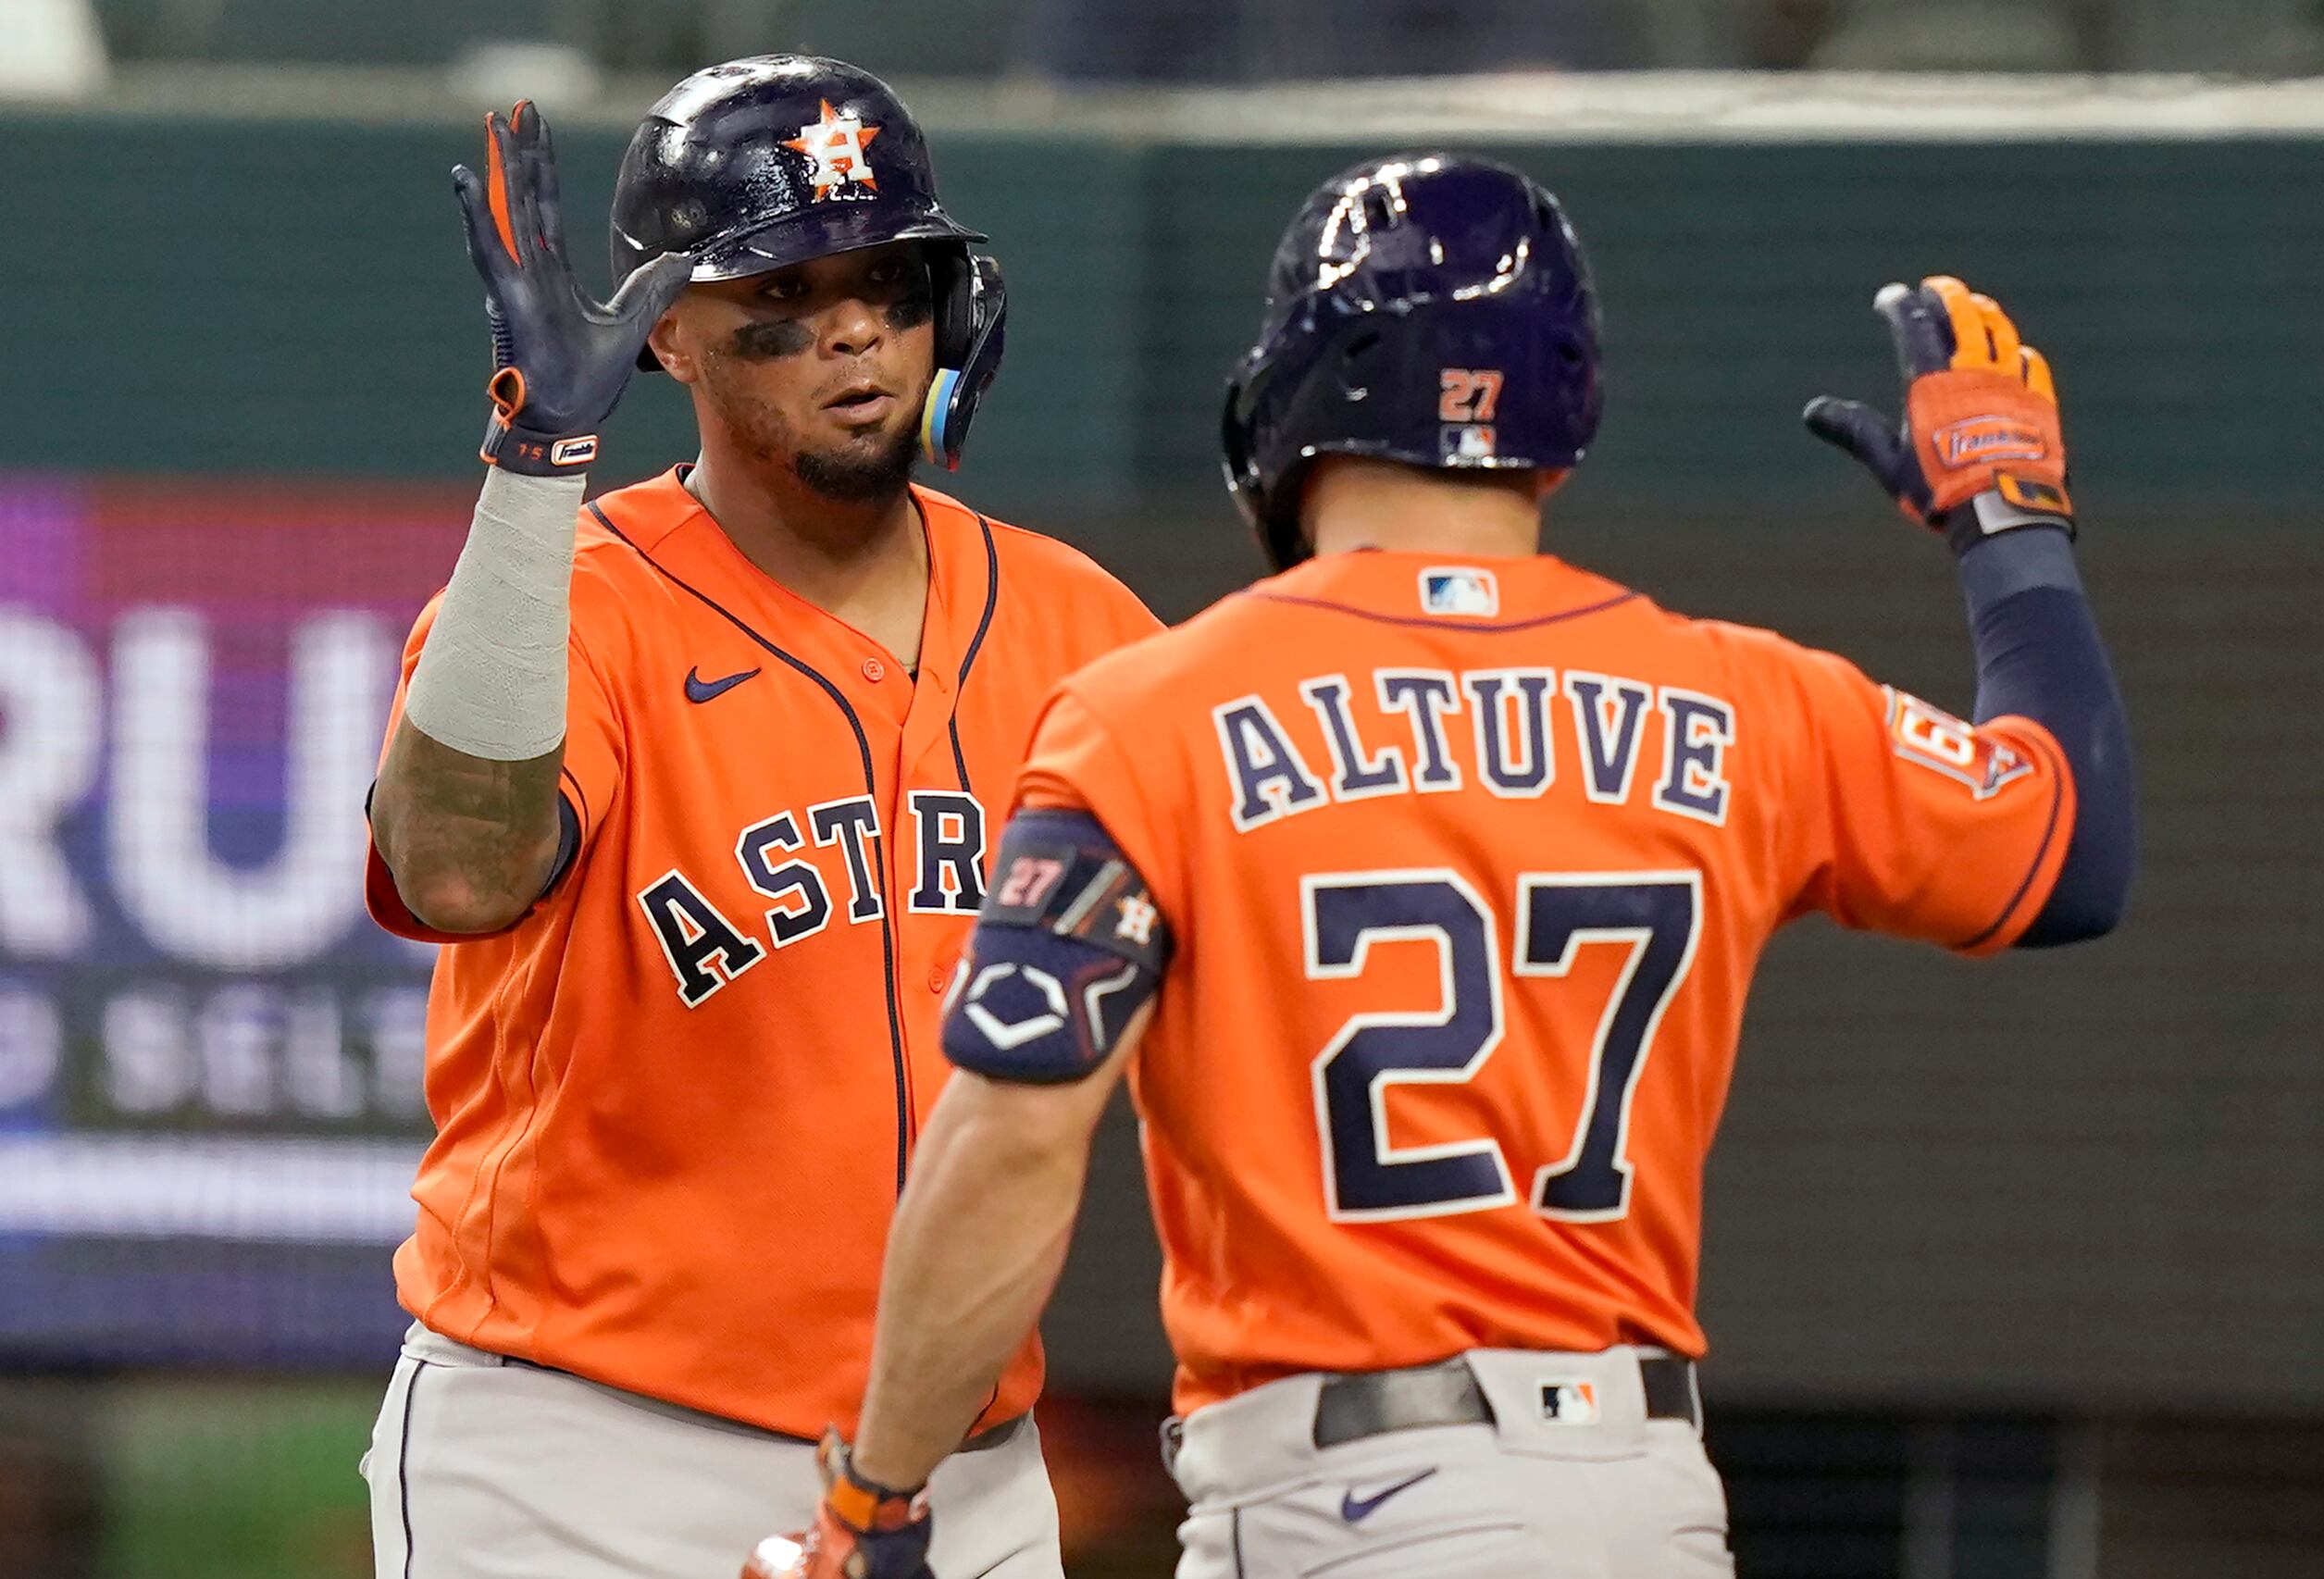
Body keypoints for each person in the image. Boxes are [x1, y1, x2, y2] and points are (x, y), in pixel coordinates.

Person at [744, 153, 2133, 1578]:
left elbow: (1016, 1134)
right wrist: (2010, 531)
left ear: (1292, 385)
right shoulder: (1748, 697)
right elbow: (2069, 852)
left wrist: (878, 1498)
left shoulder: (1156, 712)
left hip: (1352, 1493)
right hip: (1648, 1494)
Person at [358, 54, 1156, 1579]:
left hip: (957, 1463)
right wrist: (534, 470)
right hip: (580, 1454)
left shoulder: (1084, 625)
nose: (854, 331)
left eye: (889, 284)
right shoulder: (570, 606)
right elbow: (454, 870)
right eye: (784, 297)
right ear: (672, 333)